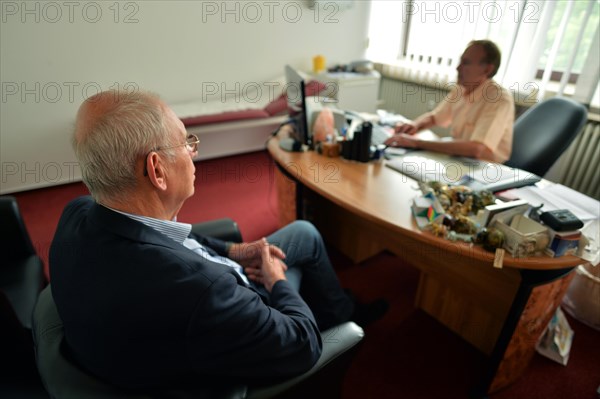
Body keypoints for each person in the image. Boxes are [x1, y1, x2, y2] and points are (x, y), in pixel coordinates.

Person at [50, 90, 386, 391]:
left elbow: (171, 235)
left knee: (304, 233)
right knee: (303, 250)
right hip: (250, 309)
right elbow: (302, 344)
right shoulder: (203, 292)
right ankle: (340, 321)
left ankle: (339, 306)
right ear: (157, 170)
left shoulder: (78, 214)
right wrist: (276, 281)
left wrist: (235, 250)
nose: (193, 152)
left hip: (212, 299)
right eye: (184, 143)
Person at [385, 40, 515, 163]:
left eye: (466, 63)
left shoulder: (498, 99)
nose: (458, 68)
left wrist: (416, 143)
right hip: (459, 159)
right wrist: (414, 125)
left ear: (487, 70)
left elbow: (477, 149)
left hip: (484, 169)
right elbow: (435, 117)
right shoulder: (461, 89)